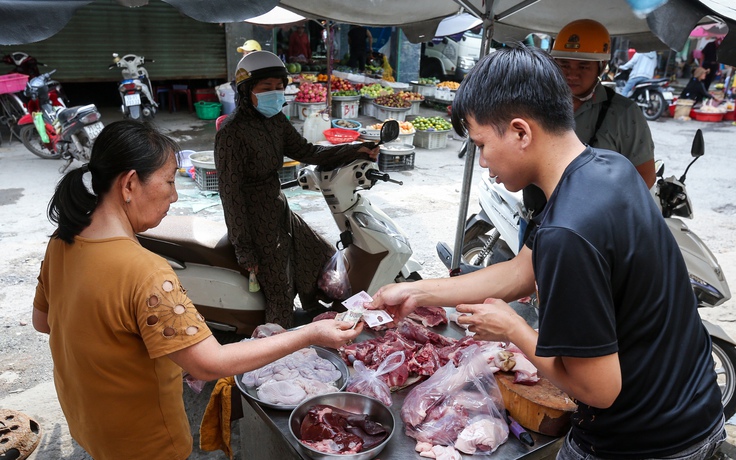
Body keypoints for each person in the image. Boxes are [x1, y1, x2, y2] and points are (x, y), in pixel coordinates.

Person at [368, 44, 725, 460]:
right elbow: (521, 272)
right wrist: (417, 293)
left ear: (521, 132)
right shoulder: (609, 167)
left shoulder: (568, 231)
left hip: (642, 442)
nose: (482, 162)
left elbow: (599, 390)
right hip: (697, 407)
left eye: (482, 144)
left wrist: (513, 330)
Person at [31, 120, 363, 459]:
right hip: (145, 442)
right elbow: (209, 363)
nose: (174, 196)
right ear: (129, 184)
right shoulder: (144, 271)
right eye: (170, 180)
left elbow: (44, 322)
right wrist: (310, 334)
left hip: (89, 422)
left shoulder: (62, 242)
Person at [214, 51, 379, 328]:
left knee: (321, 256)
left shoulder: (276, 120)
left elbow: (307, 151)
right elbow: (230, 195)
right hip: (255, 221)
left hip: (278, 208)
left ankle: (314, 316)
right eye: (266, 88)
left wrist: (354, 150)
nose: (275, 94)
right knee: (280, 291)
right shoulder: (231, 133)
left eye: (279, 88)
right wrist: (245, 250)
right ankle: (280, 350)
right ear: (246, 90)